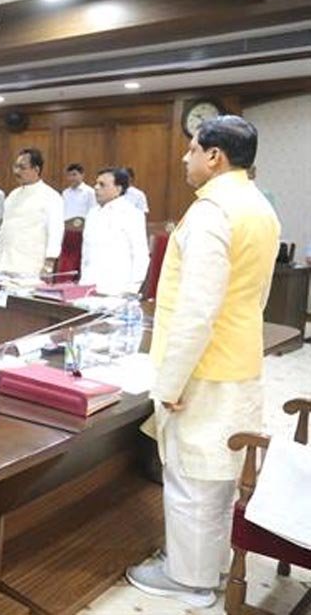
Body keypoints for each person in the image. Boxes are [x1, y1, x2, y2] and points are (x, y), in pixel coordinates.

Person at [126, 116, 280, 608]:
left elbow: (197, 310)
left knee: (191, 477)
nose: (185, 158)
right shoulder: (260, 206)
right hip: (239, 357)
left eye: (192, 149)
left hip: (204, 367)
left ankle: (189, 581)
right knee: (217, 475)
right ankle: (207, 565)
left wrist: (170, 382)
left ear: (215, 156)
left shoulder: (212, 211)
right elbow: (257, 296)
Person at [79, 167, 149, 296]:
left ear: (118, 189)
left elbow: (140, 255)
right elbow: (86, 254)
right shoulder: (92, 214)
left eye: (102, 185)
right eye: (96, 183)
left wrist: (132, 289)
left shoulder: (132, 214)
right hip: (88, 286)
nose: (96, 187)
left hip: (117, 289)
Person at [0, 148, 64, 276]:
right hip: (4, 262)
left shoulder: (51, 196)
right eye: (15, 167)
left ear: (36, 169)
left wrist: (49, 264)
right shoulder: (13, 195)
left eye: (22, 168)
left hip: (30, 266)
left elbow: (56, 232)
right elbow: (3, 226)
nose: (16, 171)